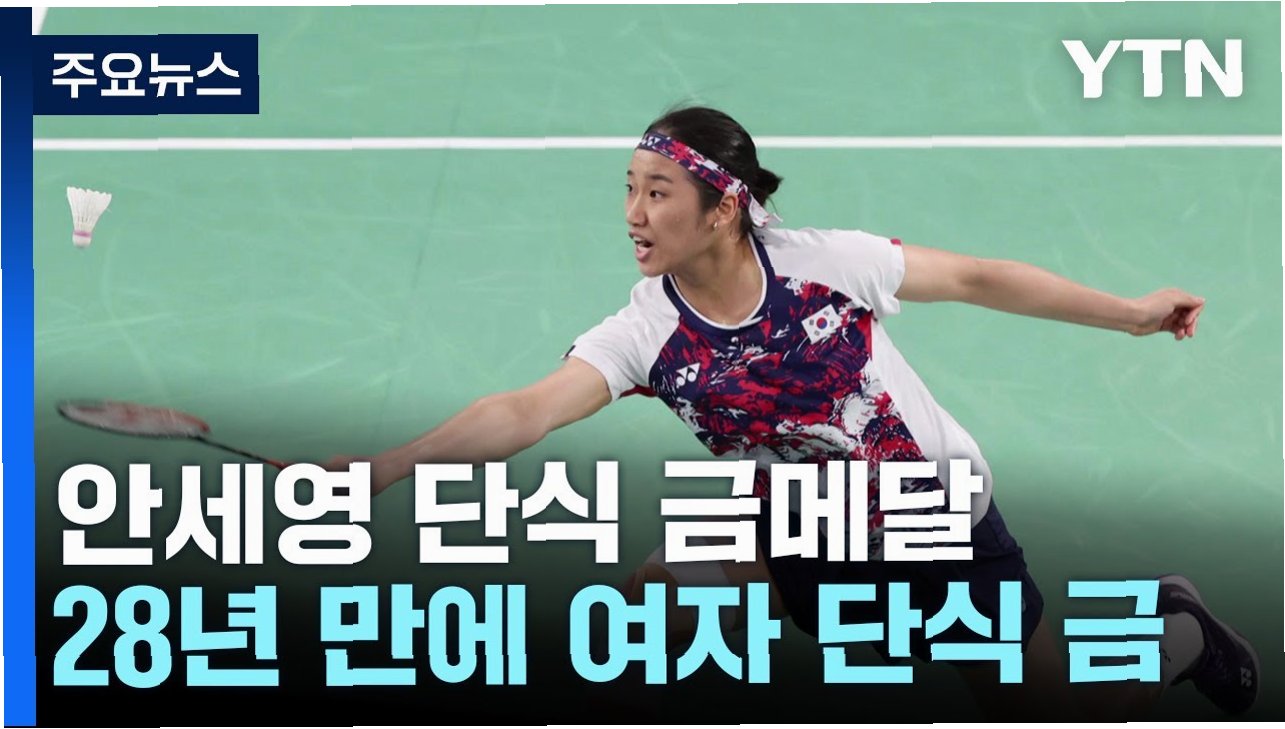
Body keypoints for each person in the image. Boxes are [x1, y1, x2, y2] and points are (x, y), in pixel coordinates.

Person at [325, 106, 1258, 721]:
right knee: (664, 593)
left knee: (1054, 705)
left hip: (931, 519)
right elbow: (525, 409)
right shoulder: (646, 331)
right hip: (797, 522)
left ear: (723, 208)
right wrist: (386, 467)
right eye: (628, 187)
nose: (633, 213)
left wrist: (1130, 313)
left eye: (657, 192)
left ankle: (1177, 630)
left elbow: (977, 277)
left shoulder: (823, 265)